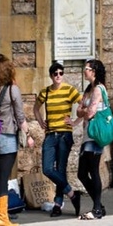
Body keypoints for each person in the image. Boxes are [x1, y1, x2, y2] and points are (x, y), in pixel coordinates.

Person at [0, 53, 33, 226]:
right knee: (3, 178)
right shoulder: (12, 90)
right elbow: (20, 116)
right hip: (7, 138)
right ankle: (2, 218)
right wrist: (29, 134)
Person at [33, 61, 82, 217]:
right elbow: (36, 108)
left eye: (61, 73)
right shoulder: (46, 92)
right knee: (48, 168)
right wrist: (41, 122)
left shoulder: (69, 90)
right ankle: (72, 194)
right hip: (50, 134)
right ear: (51, 76)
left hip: (64, 135)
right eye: (55, 74)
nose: (58, 76)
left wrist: (74, 121)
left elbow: (84, 107)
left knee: (61, 169)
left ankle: (57, 204)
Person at [71, 58, 109, 220]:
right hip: (88, 135)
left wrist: (84, 110)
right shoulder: (89, 89)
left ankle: (97, 209)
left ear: (93, 71)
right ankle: (98, 205)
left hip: (96, 135)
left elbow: (91, 112)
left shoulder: (99, 89)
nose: (84, 71)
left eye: (87, 68)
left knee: (93, 170)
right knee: (81, 173)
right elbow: (80, 111)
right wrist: (83, 112)